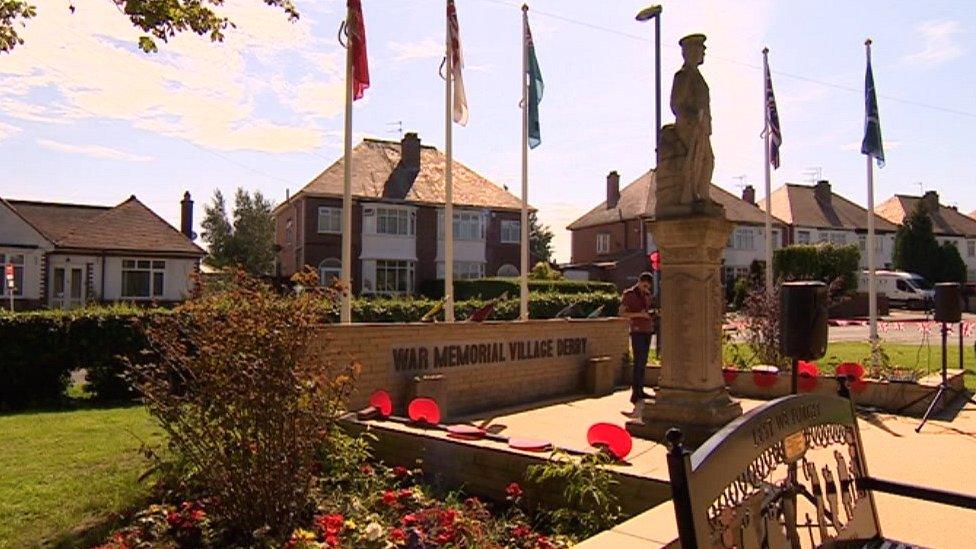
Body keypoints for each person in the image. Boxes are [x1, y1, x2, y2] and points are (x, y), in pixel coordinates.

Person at [619, 271, 656, 419]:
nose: (646, 288)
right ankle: (635, 393)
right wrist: (639, 315)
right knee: (638, 362)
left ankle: (640, 390)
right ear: (639, 282)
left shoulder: (647, 295)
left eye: (648, 287)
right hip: (637, 331)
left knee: (643, 362)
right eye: (644, 285)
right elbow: (622, 313)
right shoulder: (629, 294)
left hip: (647, 330)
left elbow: (646, 310)